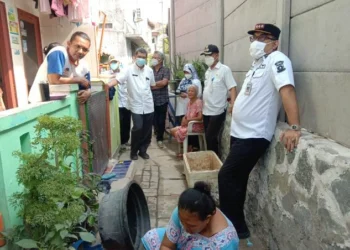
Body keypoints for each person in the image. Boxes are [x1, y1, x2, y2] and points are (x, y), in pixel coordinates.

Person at [218, 23, 301, 240]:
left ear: (275, 42)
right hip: (240, 132)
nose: (257, 41)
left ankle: (228, 229)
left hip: (254, 135)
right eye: (254, 37)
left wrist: (294, 127)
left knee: (226, 176)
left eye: (263, 37)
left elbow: (287, 89)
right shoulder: (257, 63)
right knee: (237, 180)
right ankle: (238, 228)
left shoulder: (278, 59)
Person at [141, 181, 239, 250]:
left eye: (191, 225)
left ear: (207, 219)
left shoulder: (224, 244)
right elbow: (167, 246)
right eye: (181, 222)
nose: (185, 228)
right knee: (151, 237)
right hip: (182, 244)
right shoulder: (185, 212)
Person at [108, 48, 156, 160]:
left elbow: (152, 85)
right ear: (134, 57)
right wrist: (106, 86)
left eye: (144, 58)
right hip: (136, 105)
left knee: (147, 130)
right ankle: (134, 151)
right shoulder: (128, 70)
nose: (141, 59)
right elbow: (118, 80)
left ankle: (143, 150)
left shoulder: (149, 71)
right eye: (139, 57)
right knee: (138, 127)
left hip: (149, 105)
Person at [28, 32, 92, 104]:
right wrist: (78, 79)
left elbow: (88, 85)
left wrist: (88, 93)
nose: (80, 51)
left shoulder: (84, 65)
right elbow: (54, 80)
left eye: (85, 49)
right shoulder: (59, 52)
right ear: (69, 44)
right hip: (40, 102)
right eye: (77, 46)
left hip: (63, 104)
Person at [201, 44, 237, 158]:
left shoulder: (224, 70)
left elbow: (232, 88)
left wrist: (232, 104)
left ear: (216, 55)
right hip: (206, 110)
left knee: (210, 137)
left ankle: (214, 162)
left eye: (209, 55)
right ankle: (212, 160)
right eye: (205, 55)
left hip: (217, 110)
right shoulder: (208, 71)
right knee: (209, 137)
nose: (207, 58)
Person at [170, 85, 204, 156]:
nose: (190, 93)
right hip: (188, 124)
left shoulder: (198, 102)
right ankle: (188, 147)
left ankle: (188, 150)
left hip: (195, 125)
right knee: (172, 130)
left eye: (192, 91)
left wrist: (188, 120)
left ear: (196, 93)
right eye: (189, 91)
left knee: (177, 131)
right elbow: (187, 114)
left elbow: (200, 117)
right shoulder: (189, 102)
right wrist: (183, 119)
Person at [108, 56, 131, 150]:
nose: (114, 64)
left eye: (115, 62)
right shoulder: (107, 74)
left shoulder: (124, 73)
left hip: (126, 102)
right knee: (118, 123)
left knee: (127, 122)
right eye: (112, 62)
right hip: (116, 104)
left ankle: (125, 141)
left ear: (118, 63)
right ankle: (119, 142)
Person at [151, 51, 170, 149]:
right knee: (154, 119)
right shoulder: (150, 70)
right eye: (153, 57)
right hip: (151, 99)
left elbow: (164, 82)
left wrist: (153, 85)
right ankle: (157, 132)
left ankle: (160, 139)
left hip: (162, 99)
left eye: (155, 57)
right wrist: (158, 85)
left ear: (161, 60)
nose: (153, 59)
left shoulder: (165, 70)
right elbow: (147, 83)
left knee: (161, 120)